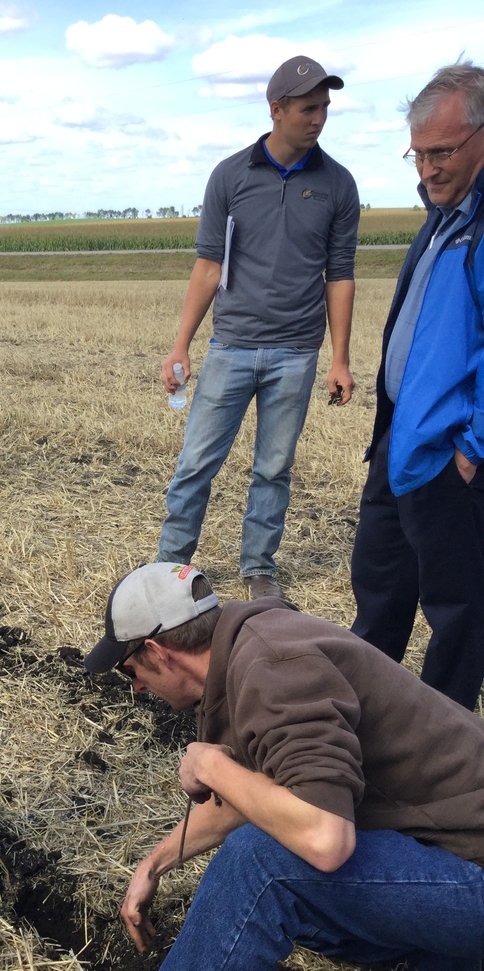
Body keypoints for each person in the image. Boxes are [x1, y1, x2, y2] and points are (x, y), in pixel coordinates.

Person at [20, 562, 484, 971]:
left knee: (264, 865)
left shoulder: (275, 669)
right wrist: (156, 862)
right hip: (453, 861)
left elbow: (325, 838)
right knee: (283, 857)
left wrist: (211, 762)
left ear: (160, 651)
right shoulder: (253, 647)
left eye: (130, 668)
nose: (135, 686)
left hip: (472, 875)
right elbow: (268, 794)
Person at [157, 56, 360, 601]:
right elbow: (208, 266)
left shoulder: (338, 184)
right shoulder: (230, 176)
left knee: (273, 469)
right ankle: (170, 568)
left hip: (297, 353)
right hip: (232, 347)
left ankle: (259, 571)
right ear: (277, 109)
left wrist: (340, 358)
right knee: (196, 463)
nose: (319, 118)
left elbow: (339, 274)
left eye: (324, 108)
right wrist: (181, 345)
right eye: (308, 108)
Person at [351, 64, 484, 710]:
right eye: (418, 153)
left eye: (441, 152)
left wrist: (472, 449)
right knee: (377, 601)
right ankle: (356, 732)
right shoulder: (443, 217)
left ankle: (443, 760)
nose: (425, 169)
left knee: (457, 618)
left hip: (448, 459)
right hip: (398, 445)